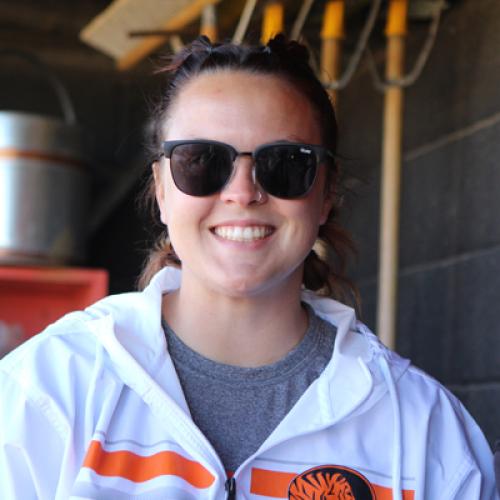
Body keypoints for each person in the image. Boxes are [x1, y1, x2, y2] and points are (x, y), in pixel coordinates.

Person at [0, 35, 496, 500]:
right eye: (200, 161)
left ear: (326, 193)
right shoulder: (47, 389)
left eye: (285, 164)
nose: (242, 192)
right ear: (162, 189)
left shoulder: (424, 432)